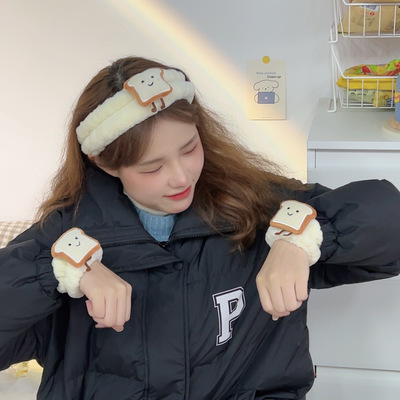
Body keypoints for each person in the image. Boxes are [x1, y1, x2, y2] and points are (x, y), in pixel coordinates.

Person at [1, 56, 400, 400]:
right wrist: (61, 269)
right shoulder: (62, 239)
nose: (180, 177)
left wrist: (302, 238)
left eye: (189, 148)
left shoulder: (258, 209)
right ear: (104, 163)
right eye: (152, 167)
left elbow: (388, 220)